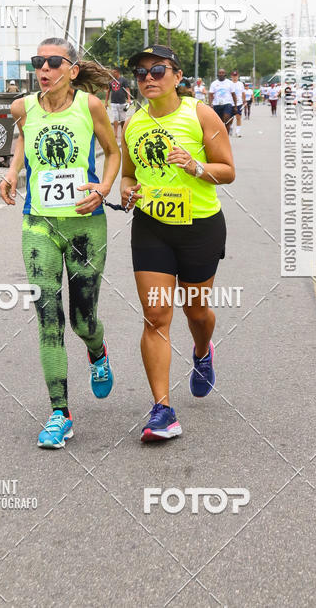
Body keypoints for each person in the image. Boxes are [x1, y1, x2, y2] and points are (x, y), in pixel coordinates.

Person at [0, 38, 121, 448]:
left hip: (86, 225)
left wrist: (103, 189)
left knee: (82, 319)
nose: (44, 69)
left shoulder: (90, 106)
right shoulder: (23, 107)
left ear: (71, 69)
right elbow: (21, 140)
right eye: (39, 62)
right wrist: (13, 172)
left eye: (53, 62)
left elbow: (112, 151)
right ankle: (59, 413)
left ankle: (97, 350)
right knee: (47, 316)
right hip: (39, 224)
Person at [120, 45, 235, 442]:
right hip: (151, 227)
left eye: (158, 70)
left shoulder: (199, 113)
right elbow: (129, 175)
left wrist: (195, 166)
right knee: (156, 318)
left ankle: (202, 352)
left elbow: (228, 171)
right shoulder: (132, 124)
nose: (149, 78)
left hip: (200, 227)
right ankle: (162, 410)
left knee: (197, 312)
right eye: (141, 73)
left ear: (177, 75)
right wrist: (127, 192)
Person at [104, 67, 131, 141]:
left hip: (122, 102)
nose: (113, 73)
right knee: (115, 118)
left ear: (118, 72)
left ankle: (123, 132)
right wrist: (106, 102)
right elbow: (108, 91)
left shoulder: (123, 80)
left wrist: (129, 98)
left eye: (114, 72)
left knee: (122, 119)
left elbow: (127, 89)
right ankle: (115, 133)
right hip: (113, 102)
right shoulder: (111, 81)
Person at [208, 68, 236, 135]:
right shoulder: (214, 83)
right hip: (217, 104)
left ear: (225, 74)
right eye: (220, 73)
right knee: (218, 123)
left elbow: (233, 95)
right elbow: (210, 95)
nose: (221, 74)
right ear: (217, 74)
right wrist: (210, 105)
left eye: (222, 73)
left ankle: (226, 136)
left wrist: (235, 105)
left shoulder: (230, 83)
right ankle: (220, 137)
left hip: (227, 104)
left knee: (226, 119)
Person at [229, 70, 246, 137]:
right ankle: (231, 128)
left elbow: (243, 92)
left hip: (239, 103)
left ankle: (237, 132)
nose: (234, 77)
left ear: (238, 76)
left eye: (236, 76)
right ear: (231, 76)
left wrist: (244, 100)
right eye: (233, 76)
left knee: (238, 117)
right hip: (230, 102)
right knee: (230, 118)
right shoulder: (229, 83)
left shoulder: (240, 84)